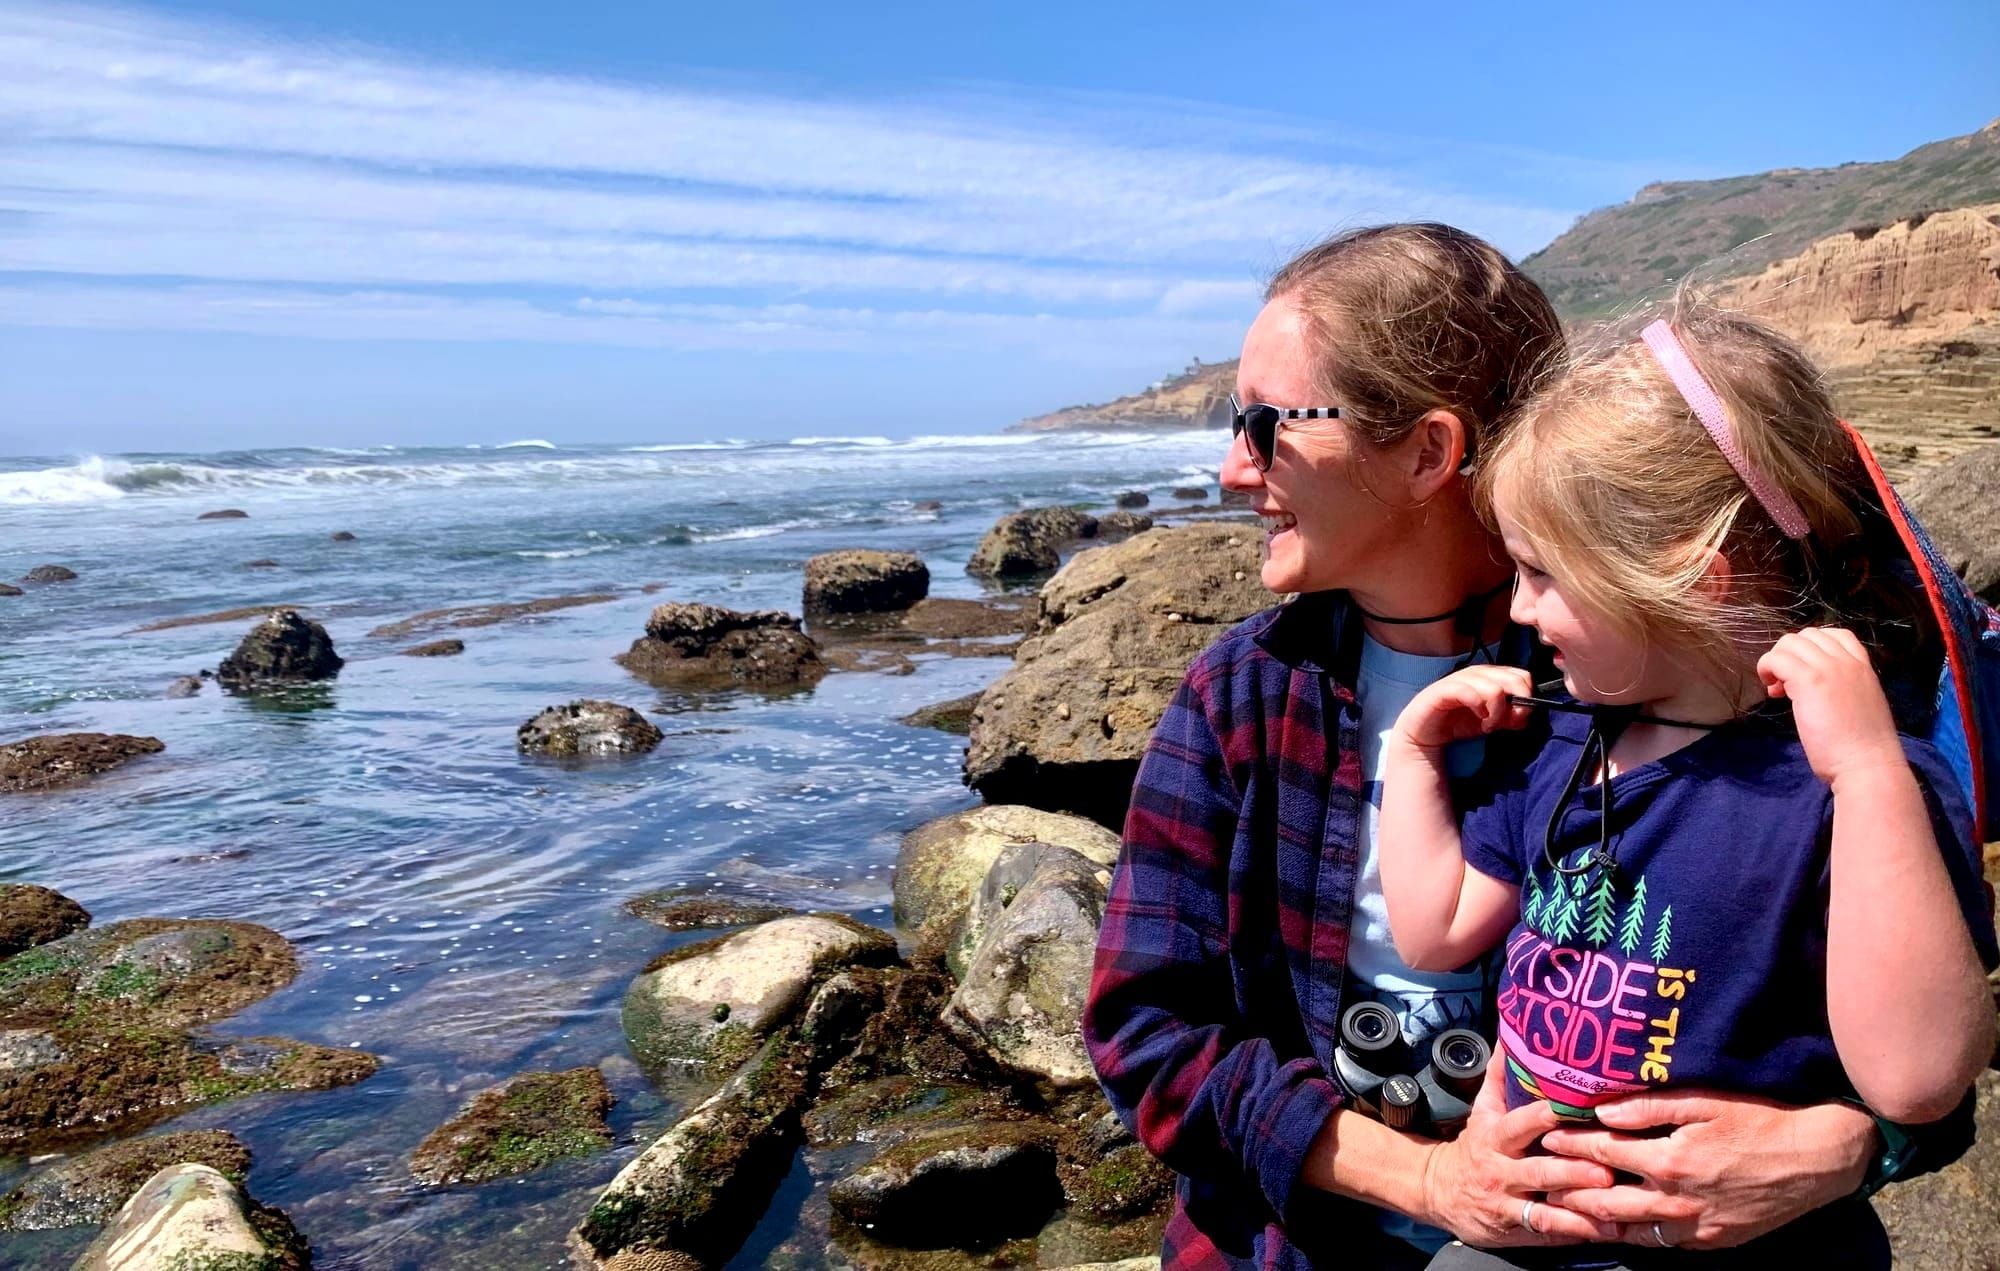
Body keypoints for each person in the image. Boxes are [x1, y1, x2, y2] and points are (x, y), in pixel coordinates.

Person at [1080, 224, 1982, 1270]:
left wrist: (1846, 1145)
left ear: (1426, 449)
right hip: (1305, 1245)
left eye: (1262, 424)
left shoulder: (1667, 664)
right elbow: (1146, 1032)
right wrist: (1422, 1177)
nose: (1233, 470)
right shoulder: (1242, 694)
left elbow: (1924, 1038)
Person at [1377, 298, 1999, 1267]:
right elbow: (1436, 927)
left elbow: (1915, 1076)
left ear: (1689, 576)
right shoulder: (1561, 746)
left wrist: (1868, 772)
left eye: (1542, 573)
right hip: (1536, 1229)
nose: (1518, 608)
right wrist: (1410, 757)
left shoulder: (1846, 781)